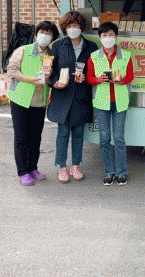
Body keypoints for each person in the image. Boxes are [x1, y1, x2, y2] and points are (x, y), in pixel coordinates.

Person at [7, 20, 60, 186]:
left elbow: (50, 79)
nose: (44, 35)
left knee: (36, 137)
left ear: (53, 37)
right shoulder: (23, 50)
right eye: (42, 32)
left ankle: (33, 168)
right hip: (21, 99)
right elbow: (11, 71)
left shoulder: (51, 55)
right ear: (36, 34)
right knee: (22, 137)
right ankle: (23, 171)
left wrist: (49, 77)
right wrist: (31, 80)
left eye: (48, 33)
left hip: (39, 101)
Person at [47, 11, 97, 184]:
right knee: (63, 133)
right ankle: (62, 166)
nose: (73, 29)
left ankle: (75, 165)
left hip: (81, 95)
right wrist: (55, 82)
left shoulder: (91, 46)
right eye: (69, 26)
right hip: (62, 95)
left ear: (81, 27)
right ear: (64, 28)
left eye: (75, 25)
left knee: (78, 133)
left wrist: (86, 78)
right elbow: (50, 70)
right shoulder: (57, 46)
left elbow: (95, 70)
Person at [86, 22, 134, 185]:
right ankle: (109, 171)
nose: (108, 38)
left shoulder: (126, 55)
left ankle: (121, 172)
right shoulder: (94, 56)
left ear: (116, 36)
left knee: (119, 138)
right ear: (100, 38)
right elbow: (89, 78)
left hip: (120, 102)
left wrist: (123, 80)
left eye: (111, 35)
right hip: (101, 102)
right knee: (104, 138)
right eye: (104, 35)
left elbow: (131, 76)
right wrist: (98, 79)